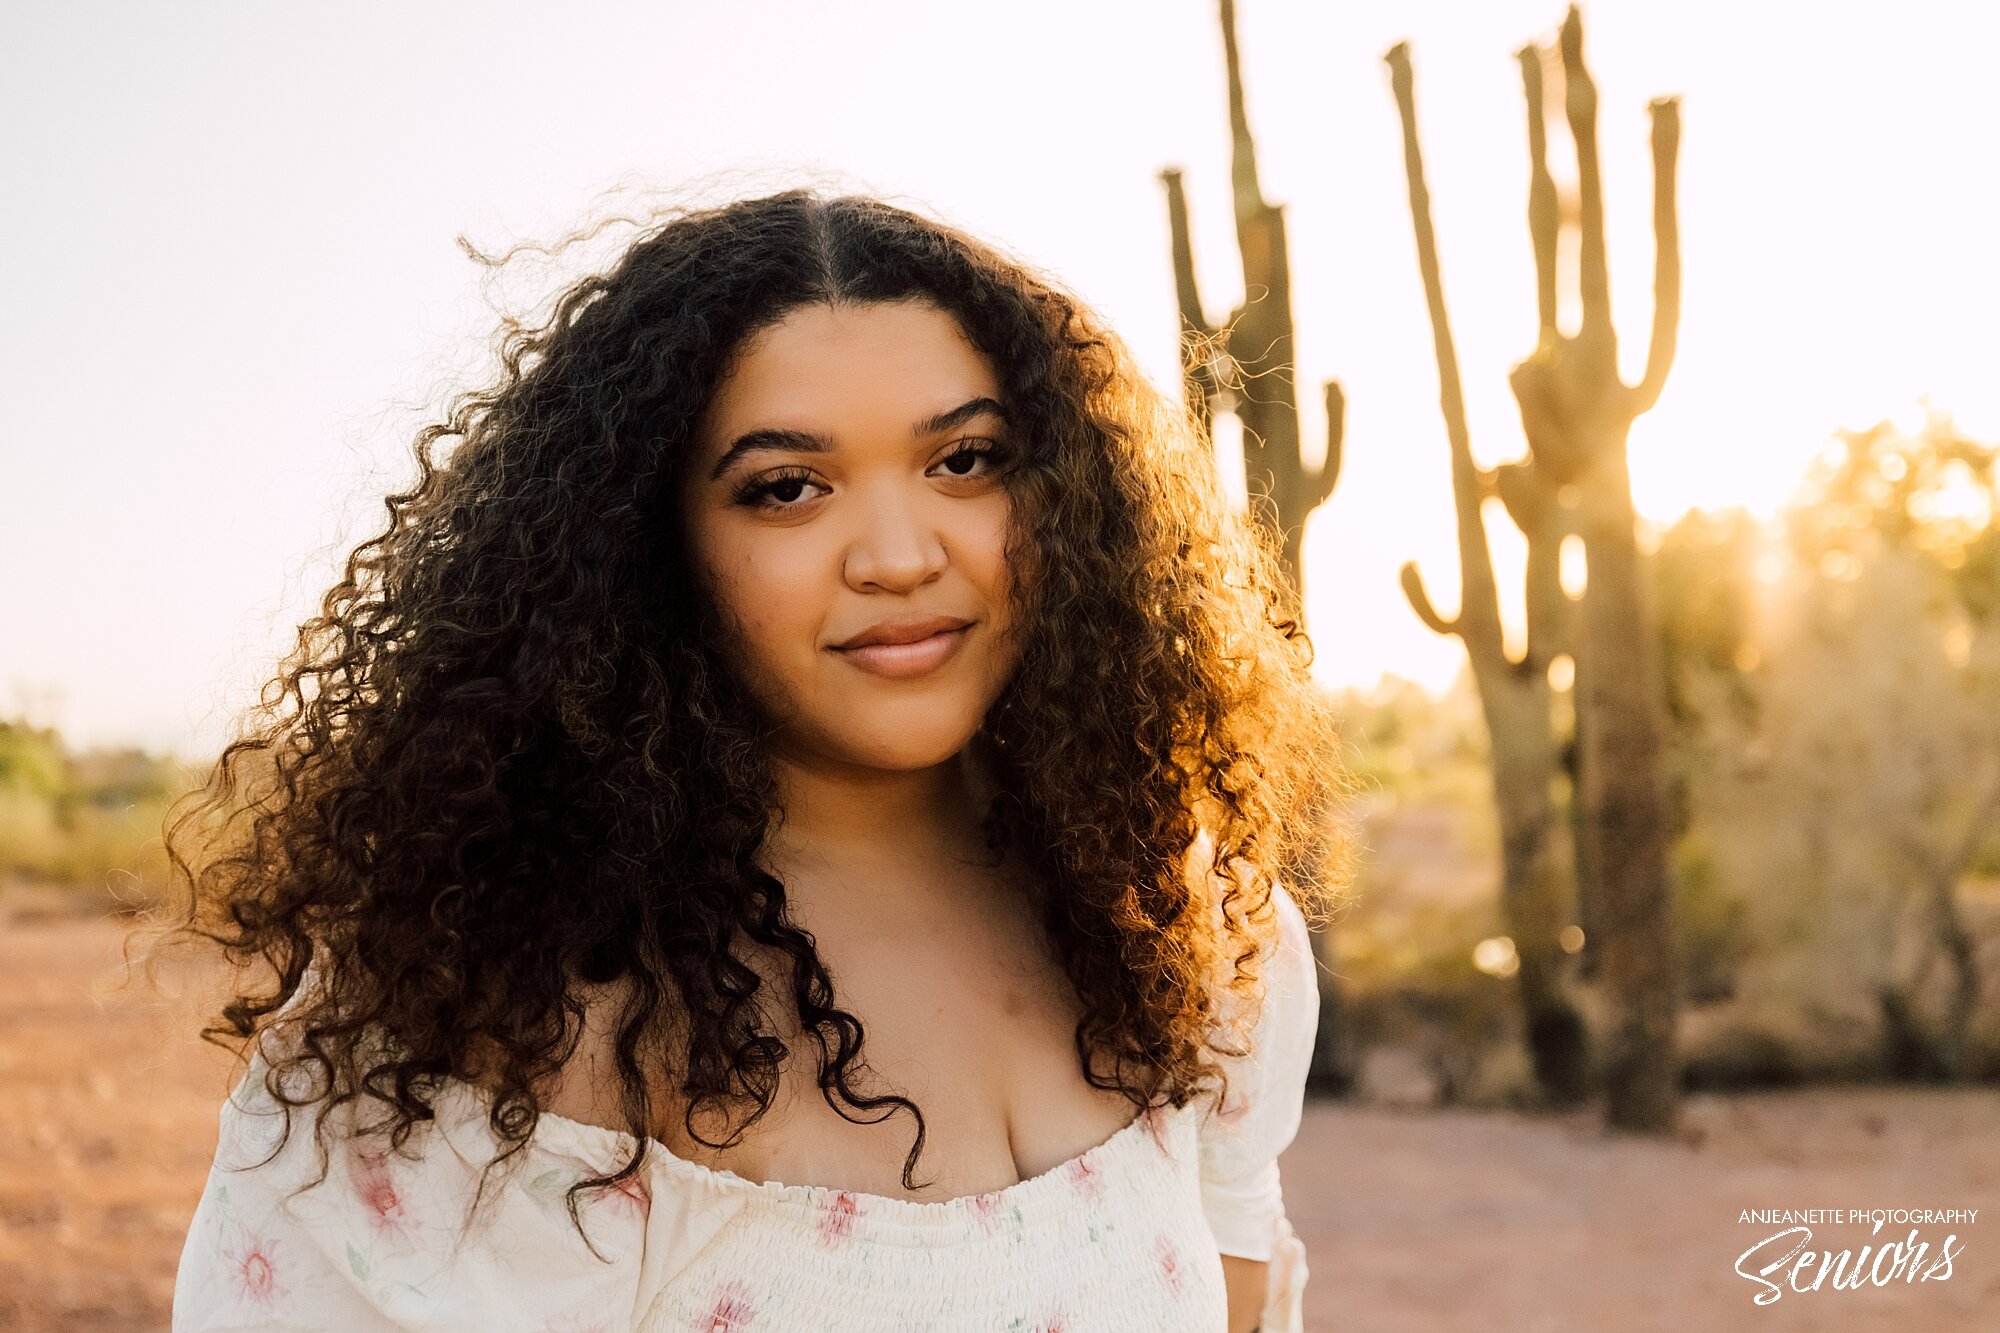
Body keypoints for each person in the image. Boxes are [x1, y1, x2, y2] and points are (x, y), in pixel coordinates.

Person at [162, 188, 1350, 1332]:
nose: (895, 554)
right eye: (786, 488)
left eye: (964, 461)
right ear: (648, 543)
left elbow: (1235, 1283)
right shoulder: (499, 1007)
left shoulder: (1187, 928)